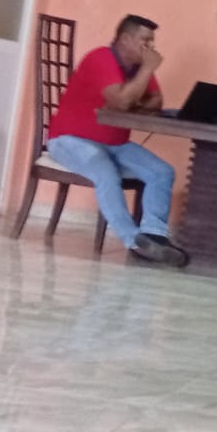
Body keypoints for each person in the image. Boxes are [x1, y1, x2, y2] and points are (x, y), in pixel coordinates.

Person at [44, 14, 187, 267]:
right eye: (145, 41)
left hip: (114, 144)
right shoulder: (100, 58)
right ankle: (135, 241)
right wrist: (144, 75)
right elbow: (121, 101)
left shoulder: (138, 68)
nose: (151, 48)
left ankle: (154, 236)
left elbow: (156, 102)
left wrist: (133, 94)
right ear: (125, 39)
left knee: (162, 172)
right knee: (105, 172)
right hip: (69, 139)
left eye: (152, 42)